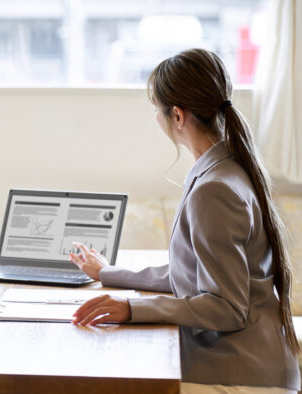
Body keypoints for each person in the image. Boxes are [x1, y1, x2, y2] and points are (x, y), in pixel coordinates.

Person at [68, 48, 300, 393]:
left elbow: (227, 307)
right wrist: (109, 274)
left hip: (240, 374)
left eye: (157, 111)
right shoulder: (225, 168)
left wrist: (131, 308)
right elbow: (191, 274)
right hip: (243, 364)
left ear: (177, 116)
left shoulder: (215, 189)